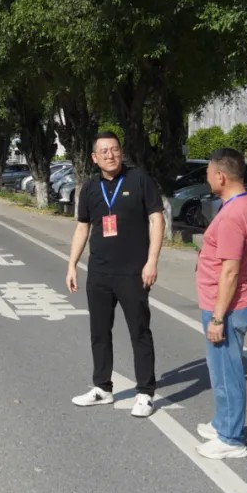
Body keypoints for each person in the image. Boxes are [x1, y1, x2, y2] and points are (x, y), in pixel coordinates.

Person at [66, 132, 165, 418]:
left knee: (139, 331)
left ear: (121, 152)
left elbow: (156, 219)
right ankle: (102, 388)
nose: (110, 155)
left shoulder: (139, 179)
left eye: (115, 149)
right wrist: (72, 264)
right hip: (99, 272)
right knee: (99, 332)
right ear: (94, 158)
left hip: (133, 272)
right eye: (104, 151)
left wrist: (152, 261)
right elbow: (83, 227)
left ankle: (145, 392)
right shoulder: (89, 187)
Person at [193, 148, 247, 459]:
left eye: (209, 173)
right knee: (220, 370)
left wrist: (218, 318)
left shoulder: (234, 215)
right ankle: (223, 422)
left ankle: (232, 438)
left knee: (227, 373)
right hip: (229, 302)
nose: (207, 178)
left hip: (227, 307)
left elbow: (230, 270)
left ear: (221, 177)